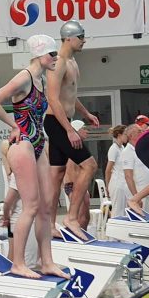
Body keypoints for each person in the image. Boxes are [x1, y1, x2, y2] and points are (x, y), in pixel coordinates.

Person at [0, 33, 68, 279]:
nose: (56, 58)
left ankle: (47, 261)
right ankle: (18, 263)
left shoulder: (41, 80)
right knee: (30, 206)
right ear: (40, 55)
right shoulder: (25, 77)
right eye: (52, 54)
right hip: (23, 145)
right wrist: (14, 125)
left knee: (46, 207)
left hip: (38, 142)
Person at [43, 21, 100, 241]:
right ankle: (71, 217)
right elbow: (53, 99)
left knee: (56, 175)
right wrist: (69, 130)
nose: (84, 41)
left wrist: (85, 113)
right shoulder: (57, 63)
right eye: (81, 37)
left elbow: (70, 95)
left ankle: (50, 225)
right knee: (90, 165)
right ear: (68, 38)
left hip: (62, 121)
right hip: (56, 122)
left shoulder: (73, 62)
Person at [115, 124, 149, 217]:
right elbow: (128, 176)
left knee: (147, 218)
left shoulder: (139, 149)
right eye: (139, 131)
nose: (142, 132)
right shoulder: (127, 152)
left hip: (146, 191)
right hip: (138, 192)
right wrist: (136, 197)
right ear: (131, 136)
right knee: (139, 218)